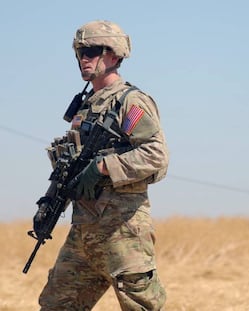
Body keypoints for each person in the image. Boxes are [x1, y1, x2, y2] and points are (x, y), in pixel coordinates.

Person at [36, 20, 168, 310]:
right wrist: (49, 202)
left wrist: (103, 167)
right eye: (80, 52)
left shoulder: (130, 102)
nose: (84, 58)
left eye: (92, 51)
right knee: (55, 304)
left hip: (123, 231)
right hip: (84, 232)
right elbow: (69, 165)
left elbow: (156, 155)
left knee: (140, 306)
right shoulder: (85, 106)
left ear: (114, 56)